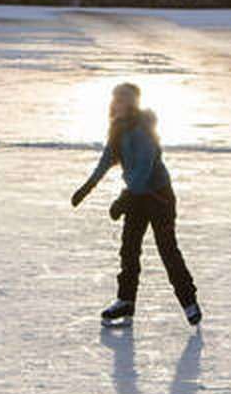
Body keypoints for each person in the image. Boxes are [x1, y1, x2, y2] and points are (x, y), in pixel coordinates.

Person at [71, 82, 202, 330]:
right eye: (115, 99)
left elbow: (143, 170)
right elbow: (106, 160)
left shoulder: (142, 130)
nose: (117, 104)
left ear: (131, 105)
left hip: (158, 197)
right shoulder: (117, 128)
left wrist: (123, 199)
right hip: (136, 197)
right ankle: (125, 301)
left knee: (167, 250)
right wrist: (87, 187)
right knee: (129, 250)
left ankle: (189, 302)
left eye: (122, 100)